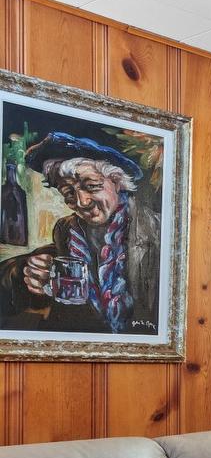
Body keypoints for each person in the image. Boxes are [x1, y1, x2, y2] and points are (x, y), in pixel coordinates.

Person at [0, 132, 159, 334]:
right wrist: (29, 273)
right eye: (68, 193)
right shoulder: (66, 230)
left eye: (92, 186)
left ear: (117, 182)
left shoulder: (155, 231)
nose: (81, 202)